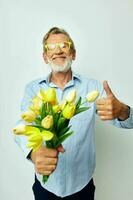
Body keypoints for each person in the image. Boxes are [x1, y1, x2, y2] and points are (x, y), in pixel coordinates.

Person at [14, 27, 133, 200]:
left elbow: (128, 122)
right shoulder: (33, 88)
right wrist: (34, 152)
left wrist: (122, 110)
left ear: (73, 54)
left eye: (64, 45)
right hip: (45, 186)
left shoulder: (92, 88)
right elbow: (23, 127)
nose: (58, 50)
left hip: (82, 186)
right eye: (51, 47)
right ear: (45, 57)